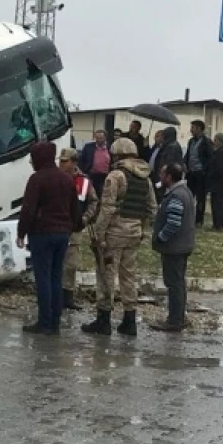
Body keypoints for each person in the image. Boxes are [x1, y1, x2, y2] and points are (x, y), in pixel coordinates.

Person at [81, 137, 157, 337]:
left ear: (118, 154)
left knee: (106, 275)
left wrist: (98, 234)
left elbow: (106, 209)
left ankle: (103, 320)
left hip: (114, 234)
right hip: (134, 233)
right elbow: (151, 209)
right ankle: (129, 321)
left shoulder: (115, 176)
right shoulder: (145, 178)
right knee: (128, 276)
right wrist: (142, 230)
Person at [16, 141, 80, 335]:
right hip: (63, 235)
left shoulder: (37, 179)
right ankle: (55, 322)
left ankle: (44, 322)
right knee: (56, 277)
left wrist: (21, 233)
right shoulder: (67, 179)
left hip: (42, 234)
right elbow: (75, 209)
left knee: (43, 278)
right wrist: (72, 227)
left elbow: (28, 209)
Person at [149, 163, 196, 332]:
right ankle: (179, 317)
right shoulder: (186, 192)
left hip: (174, 247)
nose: (160, 177)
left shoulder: (176, 195)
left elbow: (173, 223)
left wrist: (161, 237)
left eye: (162, 174)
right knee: (179, 282)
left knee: (174, 284)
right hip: (183, 245)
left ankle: (175, 320)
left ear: (169, 177)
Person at [58, 147, 99, 310]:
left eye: (65, 161)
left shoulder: (84, 181)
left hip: (74, 228)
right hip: (56, 226)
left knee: (71, 264)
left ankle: (67, 296)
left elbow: (93, 201)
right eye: (60, 161)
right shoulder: (55, 178)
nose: (61, 164)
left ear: (74, 162)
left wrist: (86, 218)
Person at [184, 120, 213, 227]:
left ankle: (199, 220)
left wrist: (205, 170)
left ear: (199, 128)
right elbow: (188, 155)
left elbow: (210, 158)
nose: (191, 130)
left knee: (200, 198)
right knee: (189, 196)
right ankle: (189, 218)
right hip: (191, 172)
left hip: (200, 173)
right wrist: (185, 164)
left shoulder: (206, 142)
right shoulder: (191, 141)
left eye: (193, 127)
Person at [79, 130, 111, 201]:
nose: (99, 140)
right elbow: (81, 160)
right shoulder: (88, 147)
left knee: (101, 195)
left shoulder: (110, 148)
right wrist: (83, 171)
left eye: (101, 138)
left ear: (105, 138)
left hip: (104, 176)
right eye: (97, 138)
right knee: (85, 195)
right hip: (90, 175)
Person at [153, 126, 185, 198]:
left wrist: (163, 174)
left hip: (167, 176)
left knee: (161, 193)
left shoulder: (171, 146)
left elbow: (168, 163)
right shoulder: (170, 145)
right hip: (167, 176)